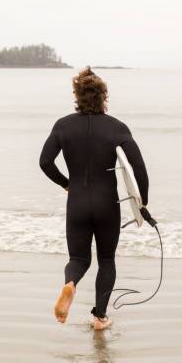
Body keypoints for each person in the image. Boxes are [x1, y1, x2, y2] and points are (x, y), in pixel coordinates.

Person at [40, 67, 149, 330]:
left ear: (77, 96)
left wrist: (67, 184)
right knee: (107, 260)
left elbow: (45, 162)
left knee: (78, 260)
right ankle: (100, 317)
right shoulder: (117, 128)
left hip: (77, 201)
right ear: (103, 97)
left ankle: (70, 284)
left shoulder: (63, 126)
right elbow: (139, 169)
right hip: (106, 204)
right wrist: (142, 203)